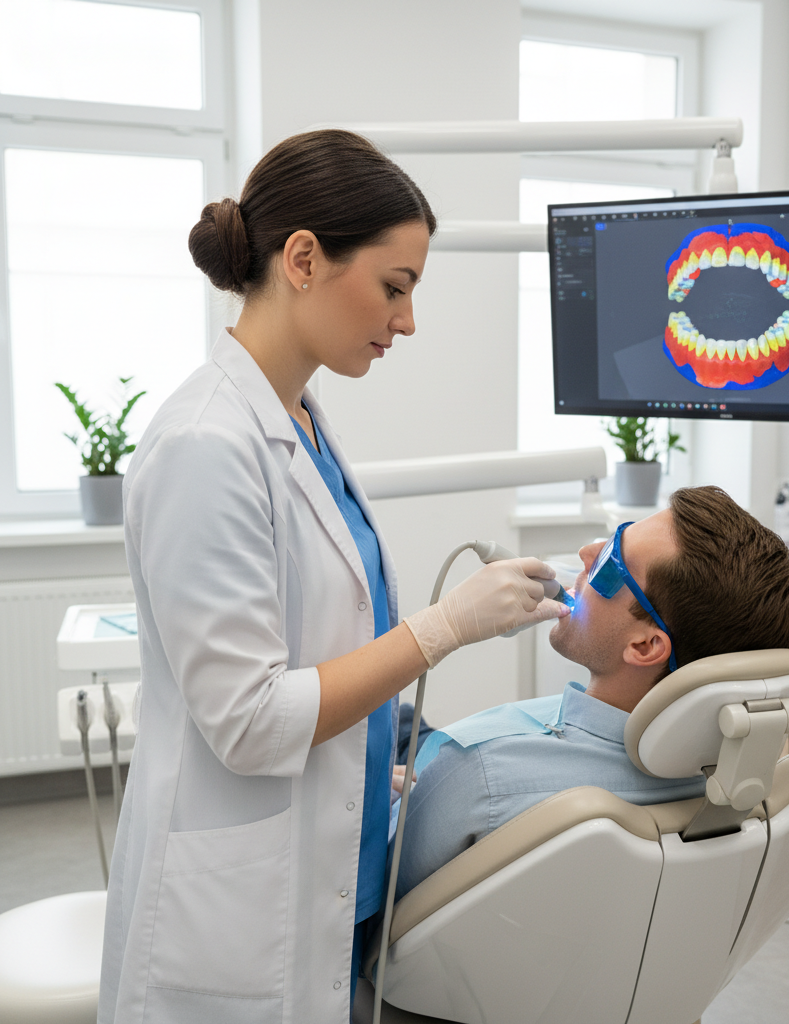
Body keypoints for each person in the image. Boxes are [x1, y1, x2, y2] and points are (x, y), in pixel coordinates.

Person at [97, 129, 568, 1024]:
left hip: (334, 867)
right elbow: (250, 721)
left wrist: (368, 756)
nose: (407, 321)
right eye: (395, 287)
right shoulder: (207, 443)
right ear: (304, 259)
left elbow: (319, 647)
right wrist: (445, 628)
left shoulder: (298, 420)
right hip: (238, 908)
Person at [394, 486, 789, 900]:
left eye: (610, 563)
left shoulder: (481, 772)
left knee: (394, 720)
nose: (585, 553)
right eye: (614, 536)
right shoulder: (733, 794)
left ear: (645, 646)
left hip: (417, 788)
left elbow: (370, 891)